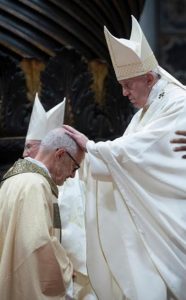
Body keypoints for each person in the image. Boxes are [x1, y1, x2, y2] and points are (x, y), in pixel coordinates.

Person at [63, 16, 186, 300]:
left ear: (149, 78)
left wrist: (92, 147)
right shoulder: (146, 111)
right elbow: (125, 152)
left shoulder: (177, 103)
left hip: (172, 218)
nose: (124, 93)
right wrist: (91, 155)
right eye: (120, 85)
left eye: (129, 84)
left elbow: (141, 150)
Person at [23, 94, 97, 300]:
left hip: (75, 270)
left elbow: (76, 230)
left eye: (29, 146)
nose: (25, 153)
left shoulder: (70, 180)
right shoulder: (32, 181)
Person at [0, 127, 85, 300]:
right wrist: (65, 271)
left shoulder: (14, 177)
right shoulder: (35, 185)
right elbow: (38, 244)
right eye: (74, 166)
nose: (73, 175)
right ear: (60, 154)